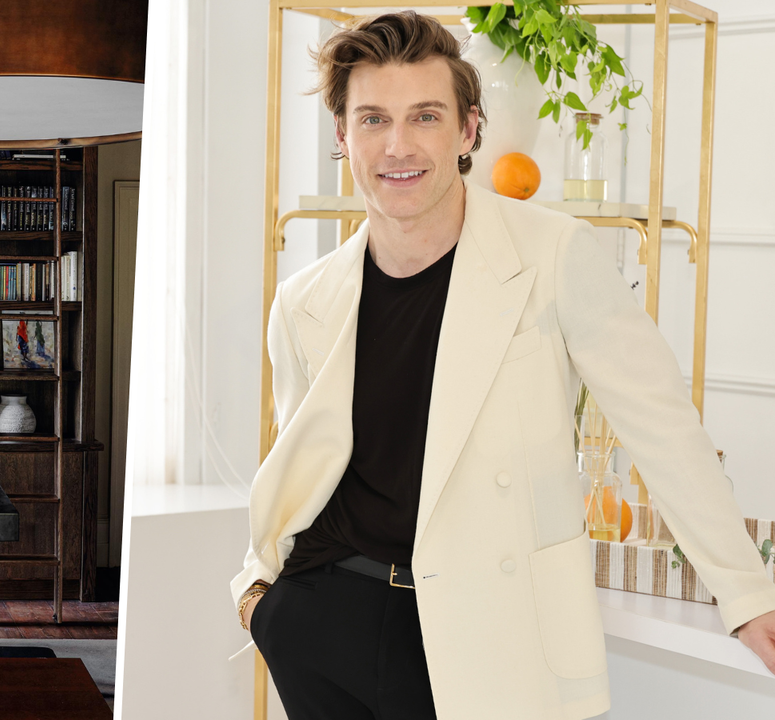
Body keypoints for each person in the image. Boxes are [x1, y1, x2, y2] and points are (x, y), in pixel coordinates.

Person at [231, 11, 775, 720]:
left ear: (467, 131)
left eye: (425, 116)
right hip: (325, 623)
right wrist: (259, 598)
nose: (398, 145)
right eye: (372, 120)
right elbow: (299, 470)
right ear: (343, 138)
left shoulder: (554, 254)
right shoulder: (304, 300)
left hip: (490, 633)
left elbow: (663, 429)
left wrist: (747, 593)